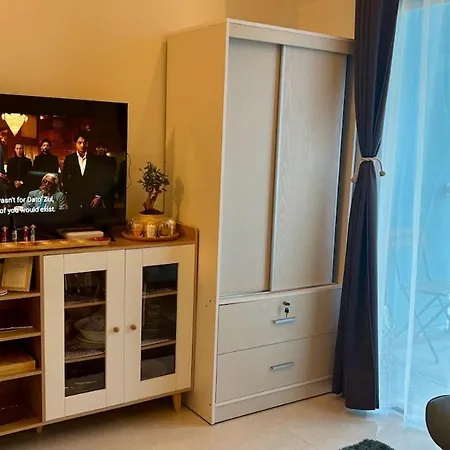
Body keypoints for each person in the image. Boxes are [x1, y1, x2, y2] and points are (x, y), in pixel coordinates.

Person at [62, 133, 103, 210]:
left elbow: (99, 178)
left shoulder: (95, 159)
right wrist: (68, 192)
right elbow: (64, 177)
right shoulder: (69, 159)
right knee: (74, 217)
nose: (82, 145)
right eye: (79, 143)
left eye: (84, 143)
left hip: (91, 197)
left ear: (87, 144)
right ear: (75, 144)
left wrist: (98, 196)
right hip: (74, 197)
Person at [95, 142, 116, 210]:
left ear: (105, 149)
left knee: (109, 208)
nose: (100, 149)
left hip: (108, 188)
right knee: (96, 210)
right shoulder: (92, 160)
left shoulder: (111, 160)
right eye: (99, 147)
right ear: (96, 149)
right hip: (96, 189)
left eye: (102, 147)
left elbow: (112, 173)